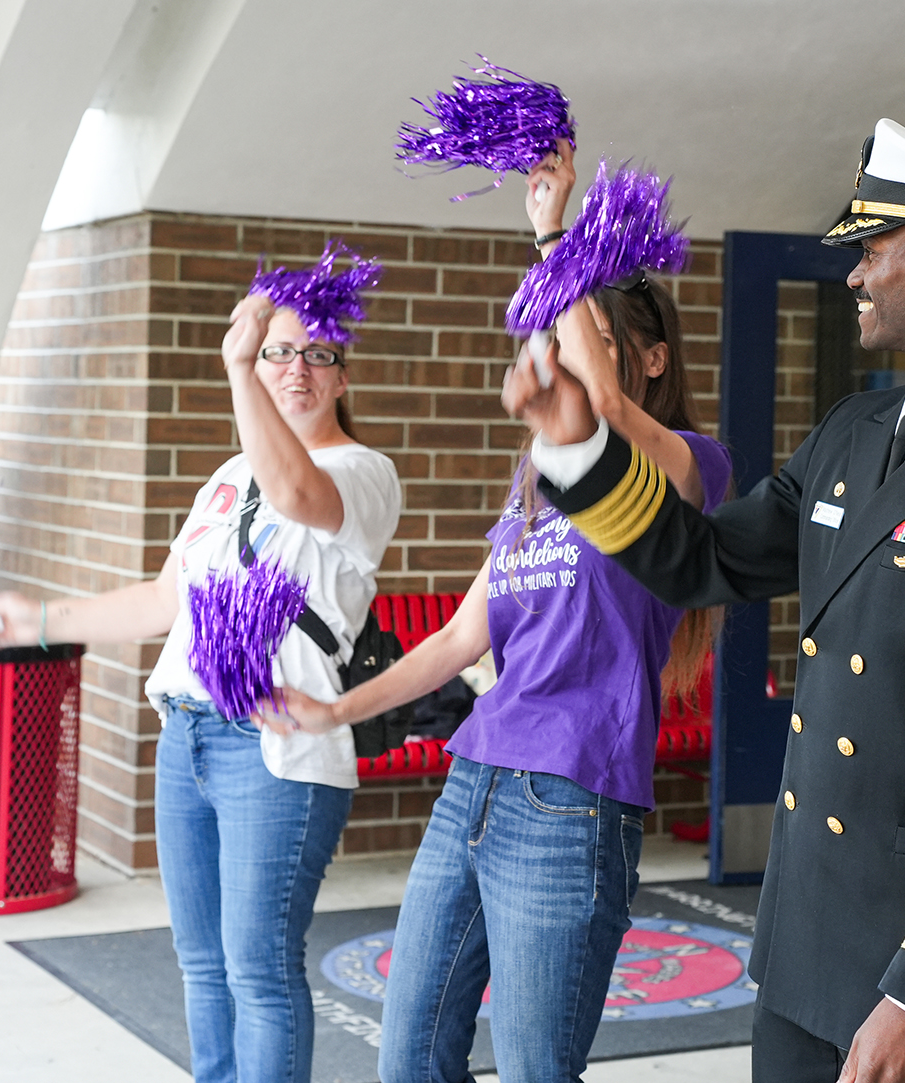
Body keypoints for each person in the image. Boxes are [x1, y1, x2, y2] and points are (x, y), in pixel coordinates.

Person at [512, 118, 905, 1083]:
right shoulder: (853, 428)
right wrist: (579, 456)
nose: (853, 275)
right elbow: (705, 561)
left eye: (873, 250)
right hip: (804, 945)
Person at [257, 140, 733, 1083]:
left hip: (573, 800)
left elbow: (601, 401)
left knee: (532, 1068)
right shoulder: (537, 482)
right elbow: (458, 637)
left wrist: (555, 236)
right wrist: (337, 710)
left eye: (581, 337)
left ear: (650, 357)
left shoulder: (686, 461)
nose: (556, 357)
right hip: (474, 780)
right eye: (550, 341)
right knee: (411, 1058)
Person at [0, 241, 401, 1083]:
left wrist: (240, 364)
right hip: (188, 738)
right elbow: (164, 599)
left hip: (274, 749)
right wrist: (43, 619)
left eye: (318, 355)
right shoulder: (224, 478)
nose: (297, 370)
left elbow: (294, 494)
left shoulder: (364, 473)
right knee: (202, 962)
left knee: (259, 966)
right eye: (281, 350)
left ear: (342, 377)